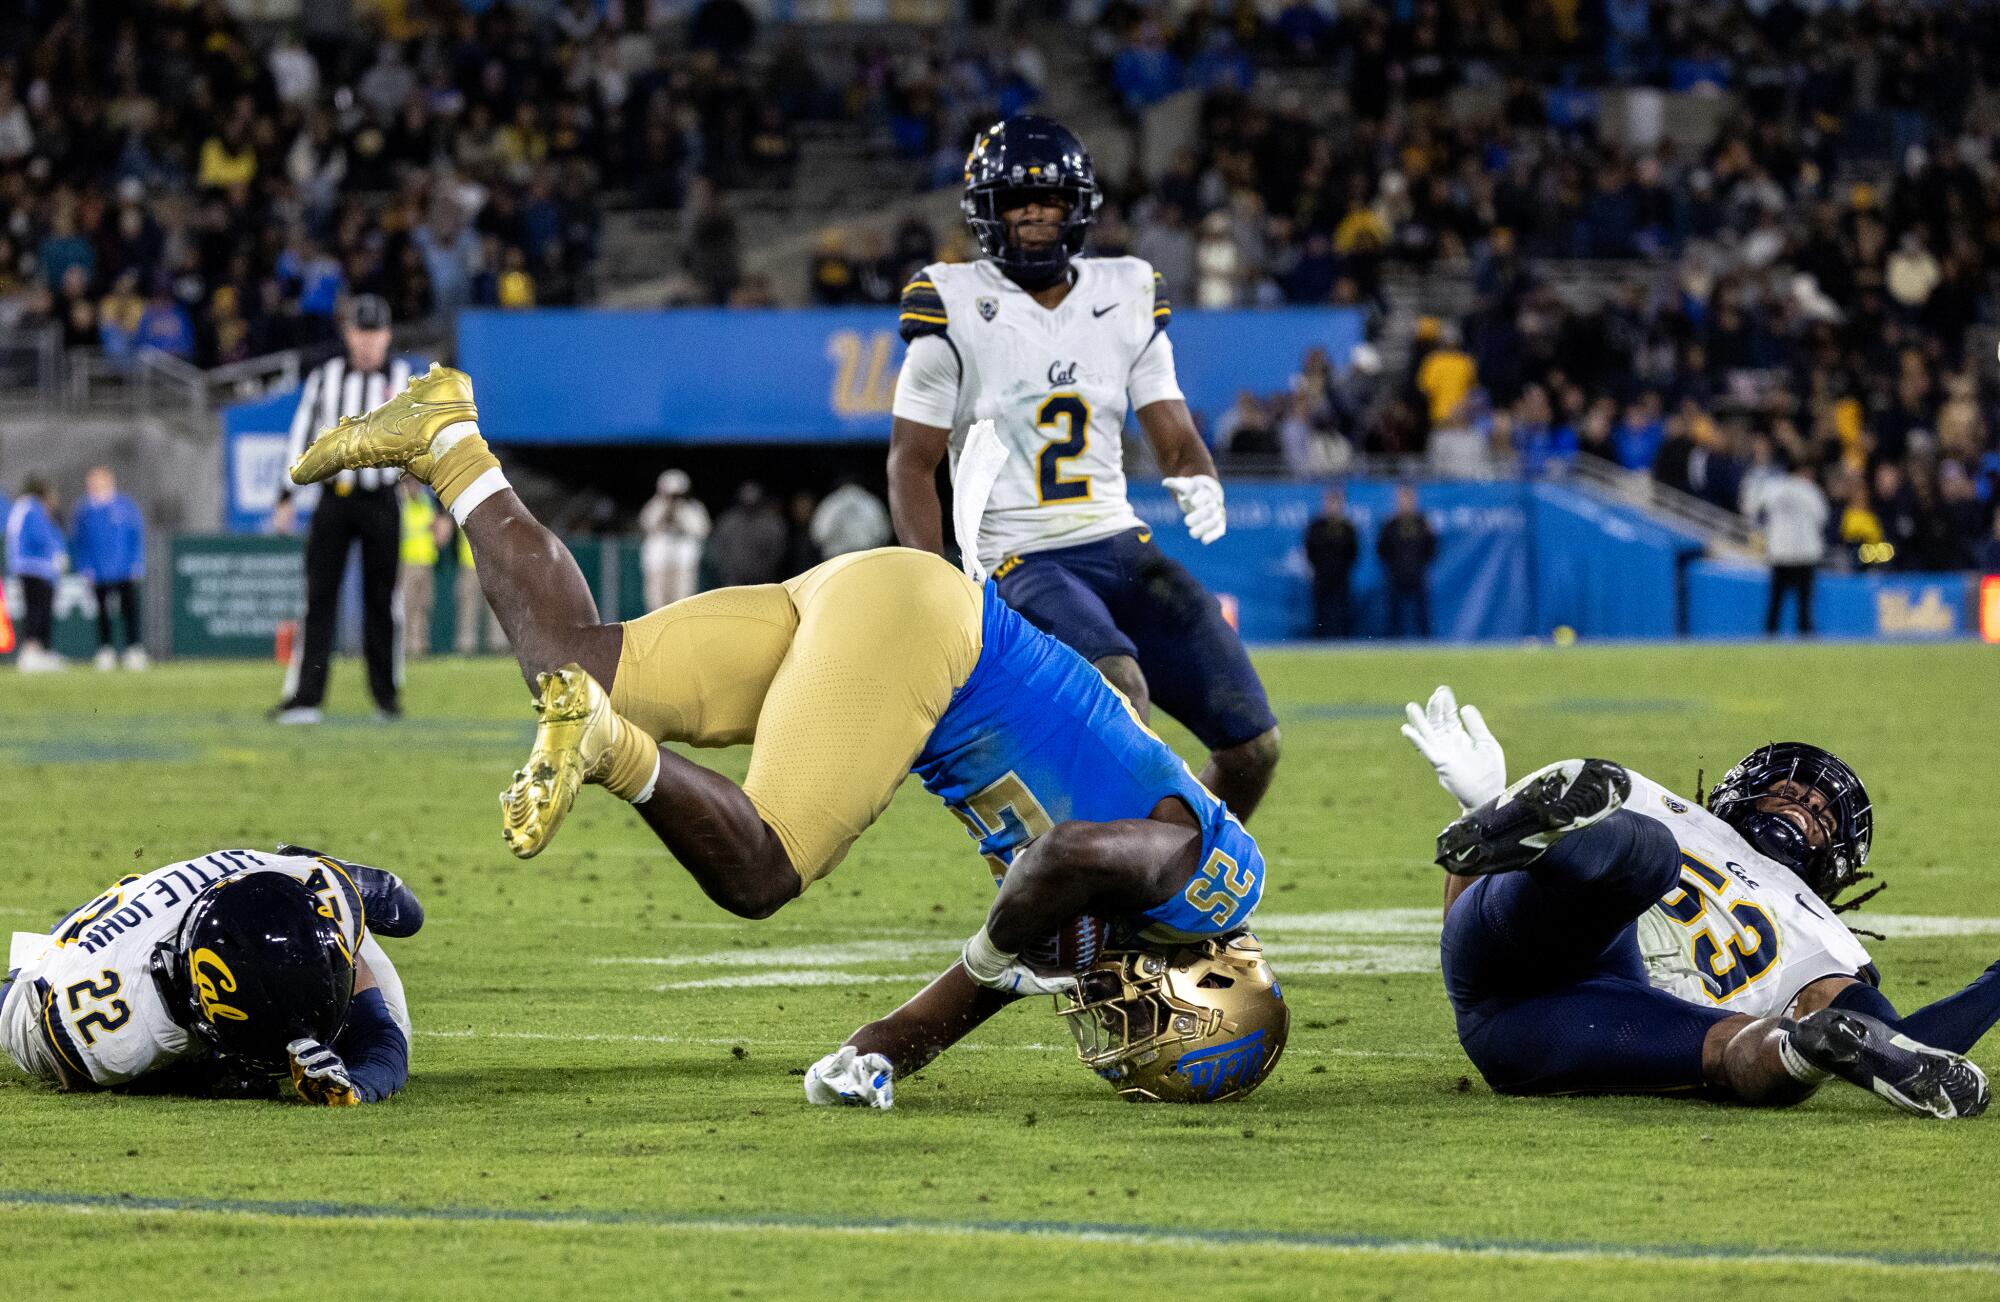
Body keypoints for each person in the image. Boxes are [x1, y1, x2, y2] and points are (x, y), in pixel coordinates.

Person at [285, 367, 1285, 1111]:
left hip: (889, 600)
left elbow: (1003, 962)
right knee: (762, 868)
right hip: (927, 645)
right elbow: (1056, 871)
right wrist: (996, 960)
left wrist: (882, 1052)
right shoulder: (1210, 883)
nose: (1109, 1021)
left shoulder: (1106, 921)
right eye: (1141, 1023)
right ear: (1200, 986)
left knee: (571, 659)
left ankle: (446, 439)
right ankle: (607, 747)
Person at [886, 115, 1280, 821]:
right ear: (987, 211)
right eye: (1017, 200)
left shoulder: (1126, 291)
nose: (1036, 215)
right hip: (1018, 556)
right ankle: (1110, 878)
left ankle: (1175, 872)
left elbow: (1172, 428)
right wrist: (933, 575)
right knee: (1120, 689)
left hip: (1118, 543)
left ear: (1080, 208)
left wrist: (1198, 476)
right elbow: (912, 462)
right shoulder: (950, 302)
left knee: (1254, 746)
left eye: (1051, 200)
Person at [1401, 686, 1995, 1118]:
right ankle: (1518, 824)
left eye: (1821, 817)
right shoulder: (1672, 811)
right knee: (1650, 852)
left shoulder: (1822, 937)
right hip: (1534, 944)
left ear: (1836, 861)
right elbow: (1465, 927)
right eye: (1789, 791)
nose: (1802, 809)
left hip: (1604, 1020)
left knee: (1740, 1045)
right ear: (1742, 791)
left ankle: (1806, 1048)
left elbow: (1901, 1039)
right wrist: (1480, 808)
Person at [1, 845, 420, 1105]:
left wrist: (358, 1086)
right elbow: (72, 1076)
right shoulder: (114, 1025)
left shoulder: (317, 889)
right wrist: (197, 1077)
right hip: (56, 988)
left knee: (400, 942)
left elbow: (381, 1032)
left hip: (241, 885)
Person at [271, 294, 412, 723]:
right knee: (319, 598)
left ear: (387, 336)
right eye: (361, 332)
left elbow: (424, 442)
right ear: (348, 334)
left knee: (382, 601)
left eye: (375, 333)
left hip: (382, 500)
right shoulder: (325, 377)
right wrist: (285, 495)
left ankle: (386, 698)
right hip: (334, 499)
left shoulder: (405, 381)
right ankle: (306, 698)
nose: (368, 342)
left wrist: (438, 507)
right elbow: (301, 435)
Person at [68, 466, 147, 671]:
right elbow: (79, 542)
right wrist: (85, 567)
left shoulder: (125, 506)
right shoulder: (84, 510)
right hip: (98, 570)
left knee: (129, 610)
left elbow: (135, 537)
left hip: (123, 568)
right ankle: (106, 650)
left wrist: (136, 563)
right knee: (102, 612)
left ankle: (133, 649)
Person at [1747, 448, 1829, 635]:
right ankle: (1806, 642)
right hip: (1806, 555)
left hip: (1780, 553)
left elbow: (1754, 509)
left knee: (1775, 605)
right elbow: (1823, 518)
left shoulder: (1773, 488)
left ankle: (1770, 641)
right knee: (1804, 607)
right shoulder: (1810, 490)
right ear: (1802, 470)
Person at [6, 475, 64, 673]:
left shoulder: (22, 506)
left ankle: (37, 651)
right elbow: (40, 536)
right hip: (36, 567)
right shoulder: (33, 508)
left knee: (35, 609)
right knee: (37, 610)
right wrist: (56, 553)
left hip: (25, 566)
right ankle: (31, 651)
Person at [637, 469, 710, 611]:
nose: (673, 497)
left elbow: (702, 530)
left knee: (682, 603)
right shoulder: (656, 505)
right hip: (658, 563)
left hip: (684, 563)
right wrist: (665, 508)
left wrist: (681, 514)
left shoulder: (693, 508)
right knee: (656, 605)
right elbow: (646, 523)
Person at [1377, 484, 1436, 638]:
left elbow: (1431, 549)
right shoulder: (1390, 524)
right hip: (1395, 575)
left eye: (1409, 499)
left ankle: (1428, 644)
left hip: (1417, 574)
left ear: (1414, 500)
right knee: (1393, 615)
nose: (1405, 503)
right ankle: (1391, 644)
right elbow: (1382, 549)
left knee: (1422, 615)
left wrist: (1421, 566)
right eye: (1402, 499)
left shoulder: (1423, 523)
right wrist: (1393, 567)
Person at [1303, 485, 1359, 638]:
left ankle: (1345, 640)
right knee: (1320, 612)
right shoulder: (1316, 526)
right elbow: (1310, 549)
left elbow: (1353, 551)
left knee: (1343, 611)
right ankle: (1319, 640)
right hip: (1321, 575)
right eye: (1330, 501)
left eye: (1336, 501)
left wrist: (1344, 567)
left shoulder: (1347, 527)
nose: (1333, 505)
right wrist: (1318, 567)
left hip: (1341, 575)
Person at [707, 481, 787, 587]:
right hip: (733, 579)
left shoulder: (771, 522)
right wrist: (726, 569)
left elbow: (778, 550)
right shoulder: (728, 521)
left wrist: (765, 570)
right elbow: (718, 546)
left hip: (762, 579)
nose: (749, 502)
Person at [397, 477, 439, 662]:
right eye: (411, 483)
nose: (415, 486)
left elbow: (434, 529)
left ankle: (420, 646)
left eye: (416, 483)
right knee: (407, 606)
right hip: (408, 561)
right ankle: (405, 646)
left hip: (426, 561)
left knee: (423, 605)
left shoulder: (425, 502)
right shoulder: (402, 503)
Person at [810, 480, 892, 559]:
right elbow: (883, 532)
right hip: (865, 554)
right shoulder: (870, 502)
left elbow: (820, 533)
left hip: (838, 557)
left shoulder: (830, 504)